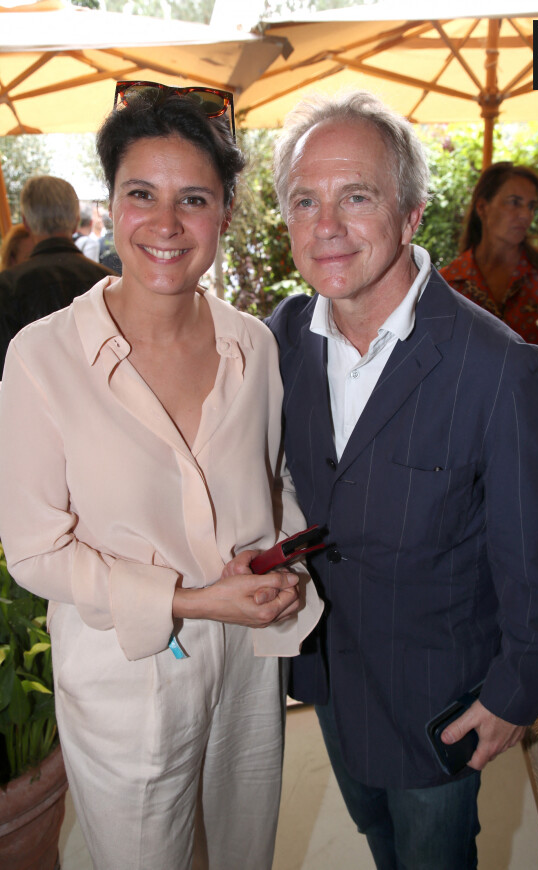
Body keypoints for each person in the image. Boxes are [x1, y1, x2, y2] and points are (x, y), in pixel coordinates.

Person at [0, 82, 321, 870]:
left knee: (243, 847)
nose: (167, 225)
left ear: (225, 214)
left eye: (195, 199)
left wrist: (282, 555)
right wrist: (186, 599)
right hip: (126, 673)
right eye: (142, 194)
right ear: (110, 203)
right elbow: (37, 551)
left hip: (246, 667)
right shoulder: (44, 357)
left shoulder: (254, 348)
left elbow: (275, 484)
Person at [265, 92, 538, 869]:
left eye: (357, 197)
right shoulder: (281, 343)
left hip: (440, 695)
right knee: (378, 842)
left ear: (410, 215)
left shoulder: (504, 371)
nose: (327, 224)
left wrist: (514, 694)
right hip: (331, 677)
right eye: (305, 201)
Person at [440, 162, 538, 410]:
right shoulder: (450, 282)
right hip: (470, 418)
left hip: (534, 417)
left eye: (531, 206)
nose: (526, 215)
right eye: (514, 202)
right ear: (482, 207)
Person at [0, 176, 118, 375]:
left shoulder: (7, 287)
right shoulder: (108, 281)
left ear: (26, 223)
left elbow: (5, 371)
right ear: (74, 222)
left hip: (32, 402)